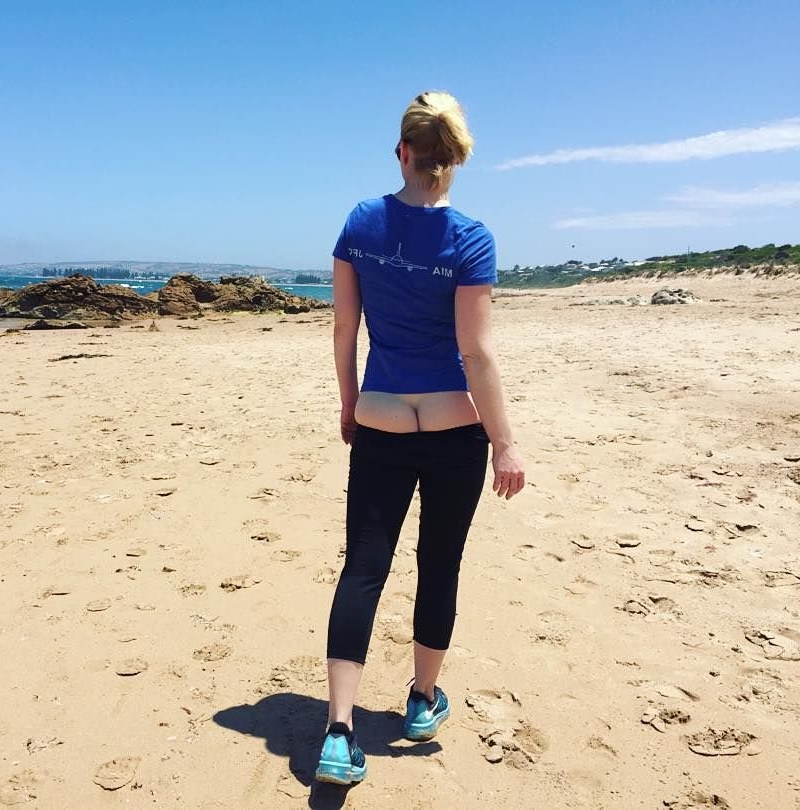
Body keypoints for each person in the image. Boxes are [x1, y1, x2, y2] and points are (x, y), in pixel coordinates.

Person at [315, 91, 526, 786]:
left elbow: (344, 328)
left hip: (380, 415)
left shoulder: (361, 221)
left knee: (363, 568)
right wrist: (505, 442)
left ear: (402, 152)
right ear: (456, 159)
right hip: (452, 426)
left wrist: (350, 403)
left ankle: (339, 732)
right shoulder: (471, 238)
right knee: (439, 563)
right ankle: (420, 701)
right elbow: (476, 353)